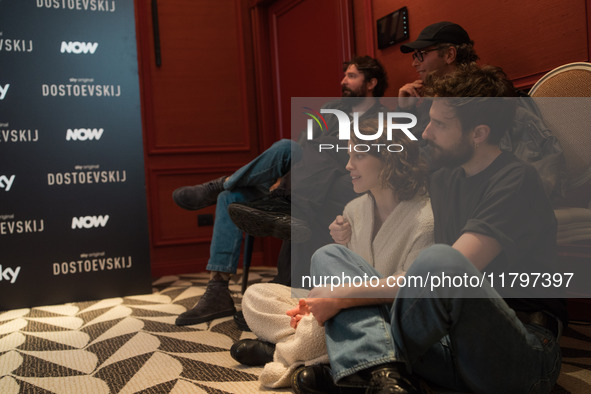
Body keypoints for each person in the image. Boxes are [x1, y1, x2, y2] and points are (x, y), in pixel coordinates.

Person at [292, 64, 566, 394]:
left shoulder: (516, 180)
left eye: (438, 124)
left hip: (519, 350)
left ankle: (357, 366)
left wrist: (342, 297)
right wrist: (346, 222)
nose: (426, 132)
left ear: (478, 134)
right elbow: (389, 166)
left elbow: (442, 277)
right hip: (446, 340)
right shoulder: (446, 174)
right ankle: (382, 376)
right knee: (329, 257)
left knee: (440, 262)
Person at [173, 56, 389, 326]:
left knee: (298, 154)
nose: (343, 81)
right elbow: (303, 145)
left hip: (331, 181)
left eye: (352, 76)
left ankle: (220, 185)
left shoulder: (383, 118)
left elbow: (357, 159)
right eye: (344, 75)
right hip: (298, 180)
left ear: (372, 83)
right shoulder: (332, 109)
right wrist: (284, 179)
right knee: (270, 163)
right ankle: (217, 289)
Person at [230, 118, 433, 390]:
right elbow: (343, 276)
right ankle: (321, 349)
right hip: (351, 314)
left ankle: (288, 351)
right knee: (257, 297)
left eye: (359, 155)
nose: (349, 165)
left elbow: (410, 287)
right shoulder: (354, 210)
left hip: (388, 317)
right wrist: (319, 303)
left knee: (327, 254)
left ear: (389, 159)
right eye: (349, 156)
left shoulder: (424, 216)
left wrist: (335, 299)